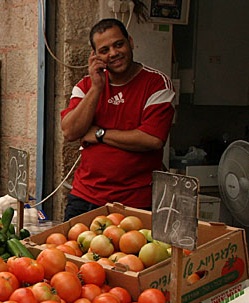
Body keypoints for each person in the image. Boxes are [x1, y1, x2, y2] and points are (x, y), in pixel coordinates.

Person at [60, 18, 175, 221]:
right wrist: (97, 88)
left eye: (118, 44)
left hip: (134, 203)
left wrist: (99, 133)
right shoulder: (86, 86)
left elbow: (152, 139)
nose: (113, 53)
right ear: (95, 56)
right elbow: (70, 131)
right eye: (104, 50)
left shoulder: (156, 83)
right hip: (84, 197)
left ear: (130, 42)